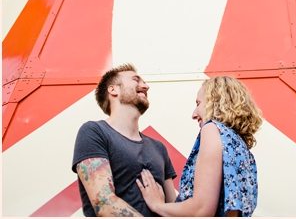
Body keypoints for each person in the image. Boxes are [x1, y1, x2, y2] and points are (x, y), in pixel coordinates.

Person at [137, 76, 262, 217]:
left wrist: (157, 205)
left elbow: (201, 210)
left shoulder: (212, 129)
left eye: (198, 103)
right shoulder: (240, 146)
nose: (194, 114)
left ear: (216, 102)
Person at [72, 63, 177, 216]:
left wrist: (160, 207)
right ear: (113, 89)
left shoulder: (159, 147)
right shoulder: (94, 132)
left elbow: (173, 208)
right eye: (136, 80)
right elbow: (104, 203)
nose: (146, 86)